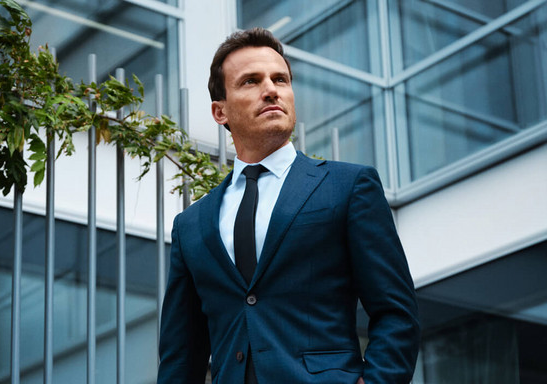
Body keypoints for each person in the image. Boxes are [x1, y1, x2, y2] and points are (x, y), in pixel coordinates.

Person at [158, 27, 420, 384]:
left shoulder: (348, 187)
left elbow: (396, 312)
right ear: (220, 112)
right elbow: (181, 353)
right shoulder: (191, 224)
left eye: (280, 79)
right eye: (251, 81)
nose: (271, 90)